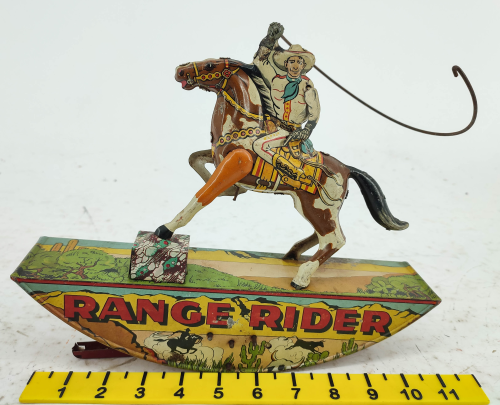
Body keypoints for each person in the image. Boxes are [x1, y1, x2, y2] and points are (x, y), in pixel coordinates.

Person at [252, 22, 320, 186]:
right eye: (292, 61)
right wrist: (269, 40)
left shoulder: (307, 85)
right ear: (286, 64)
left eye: (299, 62)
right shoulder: (276, 80)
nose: (295, 66)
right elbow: (259, 62)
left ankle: (292, 172)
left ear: (303, 66)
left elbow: (314, 111)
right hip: (271, 126)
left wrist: (307, 130)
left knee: (259, 145)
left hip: (290, 131)